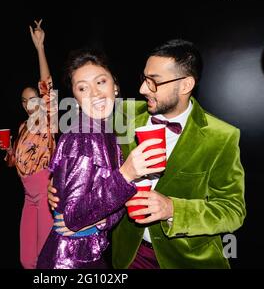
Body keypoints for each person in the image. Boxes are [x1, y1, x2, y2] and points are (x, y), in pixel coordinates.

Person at [49, 39, 246, 269]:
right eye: (144, 79)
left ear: (185, 85)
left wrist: (173, 209)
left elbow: (233, 211)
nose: (143, 89)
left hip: (187, 260)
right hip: (130, 256)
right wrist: (60, 180)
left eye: (154, 82)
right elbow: (81, 147)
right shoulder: (122, 115)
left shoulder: (222, 137)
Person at [36, 49, 166, 269]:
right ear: (75, 98)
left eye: (100, 82)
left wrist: (102, 221)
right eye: (82, 88)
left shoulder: (109, 128)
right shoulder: (83, 135)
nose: (94, 93)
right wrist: (127, 174)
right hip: (70, 260)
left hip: (90, 252)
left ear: (114, 85)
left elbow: (104, 206)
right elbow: (73, 218)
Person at [0, 20, 56, 269]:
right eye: (24, 101)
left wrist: (40, 47)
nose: (29, 104)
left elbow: (47, 85)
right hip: (27, 196)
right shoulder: (22, 128)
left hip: (43, 194)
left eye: (33, 99)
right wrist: (9, 152)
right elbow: (14, 164)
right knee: (25, 259)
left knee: (45, 257)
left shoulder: (48, 119)